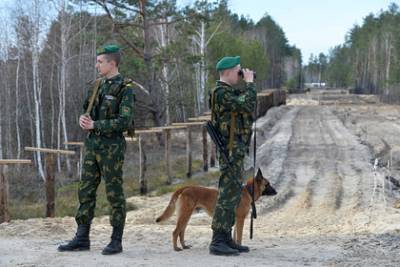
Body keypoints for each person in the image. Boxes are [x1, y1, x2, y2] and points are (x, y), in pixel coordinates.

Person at [58, 44, 134, 255]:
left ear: (112, 63)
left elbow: (125, 121)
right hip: (92, 146)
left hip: (112, 147)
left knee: (114, 193)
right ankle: (82, 237)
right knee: (86, 190)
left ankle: (116, 240)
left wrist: (96, 125)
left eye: (100, 61)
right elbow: (87, 110)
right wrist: (84, 119)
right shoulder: (96, 86)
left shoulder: (125, 88)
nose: (97, 65)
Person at [208, 56, 256, 256]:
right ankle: (218, 240)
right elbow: (246, 105)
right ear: (227, 72)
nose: (240, 74)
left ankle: (226, 236)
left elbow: (244, 104)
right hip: (229, 150)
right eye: (238, 71)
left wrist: (247, 85)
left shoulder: (229, 92)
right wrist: (250, 84)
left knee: (233, 192)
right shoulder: (220, 92)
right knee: (227, 193)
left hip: (235, 148)